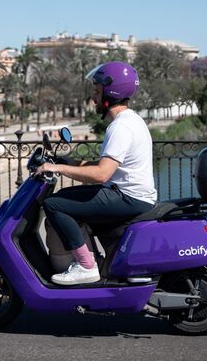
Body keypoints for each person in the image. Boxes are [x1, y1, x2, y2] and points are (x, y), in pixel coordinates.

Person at [36, 62, 157, 285]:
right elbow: (110, 164)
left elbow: (102, 174)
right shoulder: (132, 120)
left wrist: (57, 168)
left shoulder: (120, 127)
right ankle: (95, 260)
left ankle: (86, 266)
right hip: (130, 194)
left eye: (96, 91)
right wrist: (72, 162)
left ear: (111, 92)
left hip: (128, 197)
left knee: (54, 204)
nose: (93, 98)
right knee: (74, 197)